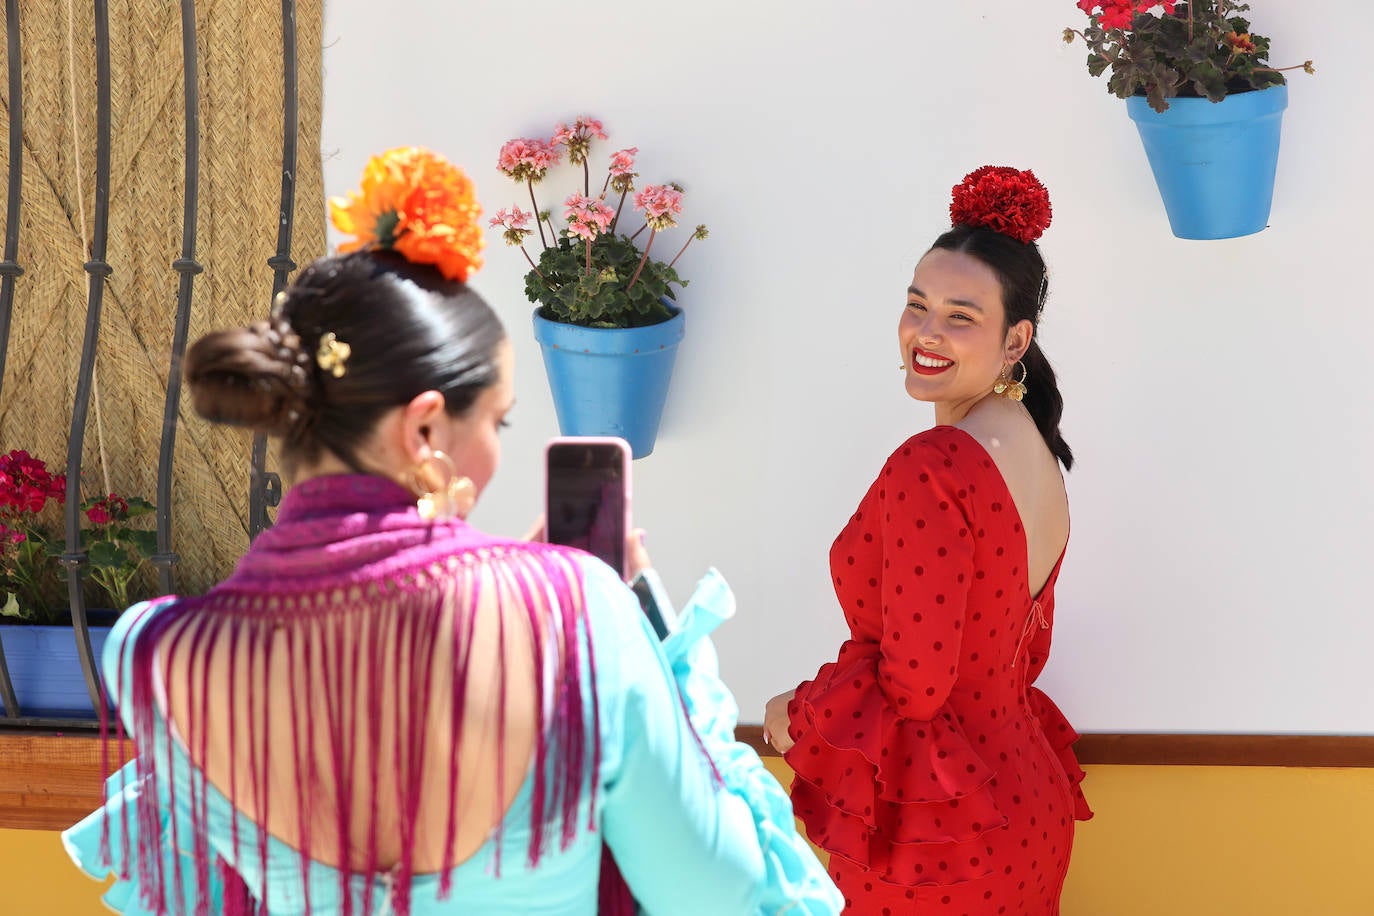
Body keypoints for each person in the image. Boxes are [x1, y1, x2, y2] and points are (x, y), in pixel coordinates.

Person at [63, 146, 842, 916]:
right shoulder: (574, 610)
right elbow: (724, 897)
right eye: (499, 420)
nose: (497, 449)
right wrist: (646, 642)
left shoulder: (160, 652)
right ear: (425, 429)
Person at [764, 166, 1093, 914]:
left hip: (947, 835)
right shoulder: (1034, 448)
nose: (926, 333)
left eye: (959, 316)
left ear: (1017, 339)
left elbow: (916, 684)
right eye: (917, 307)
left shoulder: (936, 464)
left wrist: (798, 715)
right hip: (1024, 800)